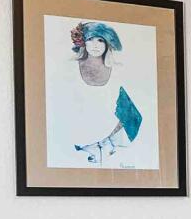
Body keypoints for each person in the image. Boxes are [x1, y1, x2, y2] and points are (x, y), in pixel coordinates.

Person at [61, 19, 145, 164]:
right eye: (90, 39)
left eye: (100, 40)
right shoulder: (70, 68)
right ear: (83, 42)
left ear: (107, 44)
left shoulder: (118, 69)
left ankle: (102, 146)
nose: (95, 45)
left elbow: (127, 105)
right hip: (76, 126)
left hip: (108, 127)